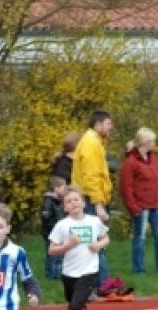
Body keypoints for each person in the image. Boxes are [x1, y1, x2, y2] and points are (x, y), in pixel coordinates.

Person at [48, 187, 109, 310]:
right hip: (69, 274)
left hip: (89, 272)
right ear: (65, 207)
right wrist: (68, 245)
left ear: (83, 203)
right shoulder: (62, 225)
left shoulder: (93, 221)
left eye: (76, 199)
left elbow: (106, 238)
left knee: (76, 307)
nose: (73, 203)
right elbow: (52, 250)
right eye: (69, 201)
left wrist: (98, 245)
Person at [71, 110, 114, 285]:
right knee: (96, 241)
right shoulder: (90, 143)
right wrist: (98, 203)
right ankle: (102, 283)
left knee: (94, 240)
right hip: (89, 199)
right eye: (108, 124)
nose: (111, 127)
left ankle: (94, 284)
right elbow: (91, 176)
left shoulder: (95, 142)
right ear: (98, 124)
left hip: (90, 197)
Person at [121, 127, 158, 274]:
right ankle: (139, 270)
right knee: (140, 238)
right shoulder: (130, 162)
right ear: (145, 142)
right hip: (141, 206)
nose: (154, 143)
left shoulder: (154, 158)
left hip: (157, 204)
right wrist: (133, 207)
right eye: (153, 141)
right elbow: (126, 188)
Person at [40, 176, 67, 280]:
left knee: (59, 254)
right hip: (51, 232)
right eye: (63, 188)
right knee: (52, 254)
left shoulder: (57, 201)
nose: (64, 191)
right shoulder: (49, 201)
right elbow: (45, 217)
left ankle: (57, 274)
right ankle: (51, 275)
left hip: (58, 232)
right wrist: (53, 227)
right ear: (56, 188)